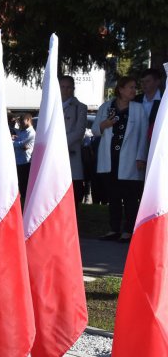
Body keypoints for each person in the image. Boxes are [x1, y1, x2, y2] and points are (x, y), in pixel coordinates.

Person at [93, 76, 148, 243]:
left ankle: (128, 231)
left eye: (134, 87)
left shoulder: (138, 109)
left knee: (130, 197)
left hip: (130, 160)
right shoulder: (106, 107)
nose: (134, 90)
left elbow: (143, 135)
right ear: (121, 89)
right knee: (113, 196)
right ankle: (113, 229)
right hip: (110, 159)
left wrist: (140, 157)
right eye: (131, 87)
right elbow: (95, 130)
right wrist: (104, 125)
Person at [59, 75, 88, 207]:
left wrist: (58, 144)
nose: (65, 90)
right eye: (63, 87)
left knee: (71, 191)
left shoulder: (80, 107)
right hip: (53, 157)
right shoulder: (50, 105)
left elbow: (79, 132)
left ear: (73, 89)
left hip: (71, 153)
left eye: (69, 87)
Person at [13, 113, 36, 207]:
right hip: (19, 161)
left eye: (22, 121)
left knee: (24, 186)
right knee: (19, 185)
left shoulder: (31, 133)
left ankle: (25, 205)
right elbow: (20, 143)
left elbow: (21, 144)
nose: (21, 124)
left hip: (25, 162)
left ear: (28, 120)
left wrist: (12, 142)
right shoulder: (23, 131)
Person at [134, 68, 163, 138]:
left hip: (156, 140)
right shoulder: (135, 100)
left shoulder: (164, 101)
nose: (144, 84)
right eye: (142, 81)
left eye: (147, 81)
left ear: (157, 82)